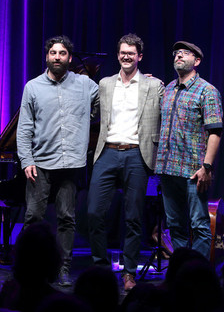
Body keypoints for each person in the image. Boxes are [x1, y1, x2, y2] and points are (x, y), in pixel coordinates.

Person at [16, 35, 99, 286]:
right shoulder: (33, 87)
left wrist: (140, 80)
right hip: (40, 162)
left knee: (67, 218)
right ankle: (30, 268)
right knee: (33, 217)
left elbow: (107, 96)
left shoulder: (85, 84)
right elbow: (24, 128)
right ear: (47, 56)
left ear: (70, 58)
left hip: (72, 163)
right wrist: (26, 159)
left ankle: (63, 268)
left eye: (62, 53)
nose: (57, 57)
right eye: (53, 53)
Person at [87, 33, 164, 291]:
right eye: (123, 52)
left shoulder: (154, 86)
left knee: (133, 217)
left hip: (137, 154)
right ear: (118, 54)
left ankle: (129, 272)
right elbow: (90, 112)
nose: (126, 56)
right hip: (107, 151)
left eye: (131, 53)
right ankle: (100, 267)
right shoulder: (105, 84)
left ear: (139, 56)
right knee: (94, 212)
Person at [155, 41, 223, 259]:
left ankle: (199, 275)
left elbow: (215, 132)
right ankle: (181, 270)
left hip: (193, 170)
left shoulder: (207, 90)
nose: (178, 56)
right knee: (174, 225)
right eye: (176, 53)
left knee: (199, 224)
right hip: (167, 168)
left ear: (197, 60)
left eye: (185, 53)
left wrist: (207, 166)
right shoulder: (167, 90)